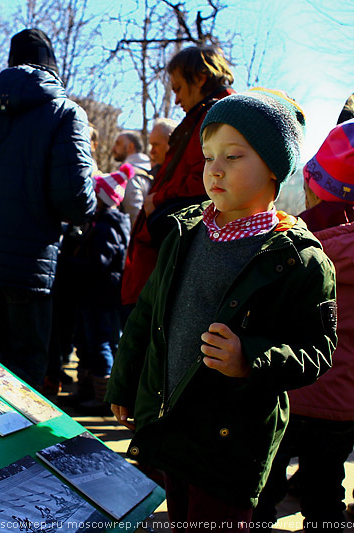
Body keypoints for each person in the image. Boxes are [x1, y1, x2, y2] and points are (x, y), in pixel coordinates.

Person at [106, 89, 337, 530]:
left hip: (232, 445)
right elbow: (147, 315)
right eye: (209, 156)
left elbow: (317, 349)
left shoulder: (298, 259)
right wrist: (124, 382)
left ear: (274, 168)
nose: (215, 169)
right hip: (171, 429)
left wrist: (250, 357)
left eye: (233, 156)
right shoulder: (185, 233)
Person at [0, 28, 95, 388]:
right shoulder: (65, 113)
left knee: (0, 361)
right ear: (52, 66)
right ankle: (21, 442)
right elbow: (75, 197)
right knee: (28, 370)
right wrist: (82, 213)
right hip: (30, 259)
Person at [253, 119, 354, 531]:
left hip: (289, 388)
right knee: (326, 491)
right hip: (343, 404)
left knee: (263, 487)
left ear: (314, 186)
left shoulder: (297, 242)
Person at [121, 45, 235, 307]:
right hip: (160, 261)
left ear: (200, 78)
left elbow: (207, 182)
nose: (176, 100)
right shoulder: (205, 115)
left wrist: (159, 199)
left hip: (176, 262)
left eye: (178, 89)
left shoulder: (219, 116)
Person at [70, 164, 132, 413]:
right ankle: (86, 390)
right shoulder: (101, 223)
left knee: (101, 342)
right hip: (93, 294)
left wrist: (71, 262)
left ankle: (103, 396)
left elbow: (100, 262)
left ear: (102, 198)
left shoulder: (107, 225)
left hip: (101, 294)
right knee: (87, 342)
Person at [111, 131, 151, 223]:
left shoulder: (130, 175)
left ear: (130, 147)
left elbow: (134, 214)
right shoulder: (147, 170)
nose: (113, 148)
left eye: (118, 143)